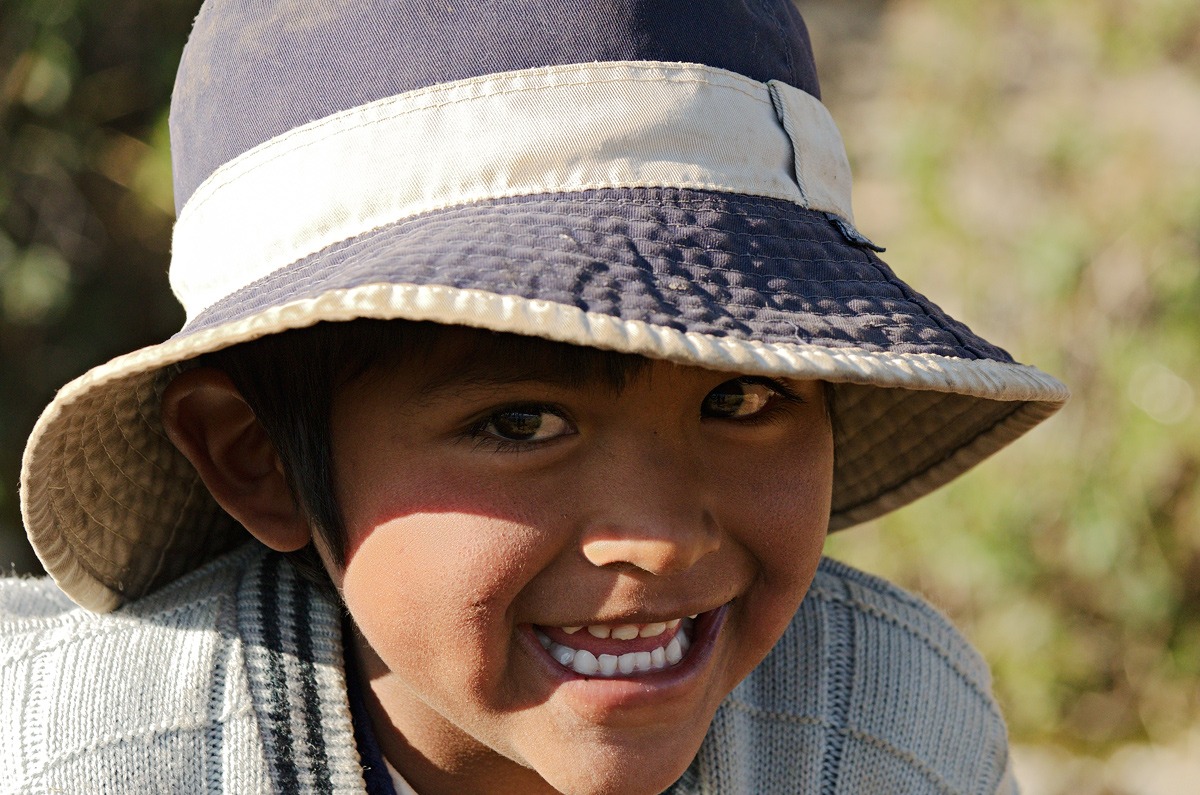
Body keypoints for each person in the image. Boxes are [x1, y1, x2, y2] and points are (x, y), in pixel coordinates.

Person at [0, 1, 1069, 792]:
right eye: (521, 423)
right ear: (258, 459)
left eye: (740, 399)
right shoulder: (81, 758)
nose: (657, 542)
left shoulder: (882, 730)